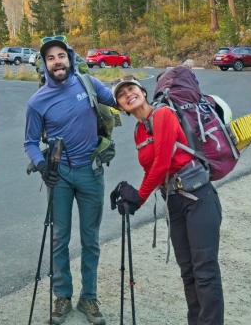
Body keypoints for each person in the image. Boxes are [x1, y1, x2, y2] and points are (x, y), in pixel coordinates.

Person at [111, 76, 224, 325]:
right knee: (188, 271)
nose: (128, 94)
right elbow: (151, 167)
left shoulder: (163, 114)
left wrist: (138, 198)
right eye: (121, 94)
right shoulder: (139, 131)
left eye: (131, 88)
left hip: (199, 198)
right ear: (120, 106)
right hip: (173, 202)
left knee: (204, 271)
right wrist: (132, 195)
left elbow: (162, 163)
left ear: (142, 91)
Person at [24, 38, 116, 325]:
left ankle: (89, 297)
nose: (57, 61)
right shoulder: (37, 102)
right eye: (50, 58)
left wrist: (140, 94)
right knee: (59, 238)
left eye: (61, 55)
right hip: (59, 175)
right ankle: (62, 295)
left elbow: (117, 99)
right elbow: (29, 142)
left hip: (91, 172)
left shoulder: (87, 83)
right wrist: (42, 166)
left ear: (70, 58)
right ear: (45, 64)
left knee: (91, 239)